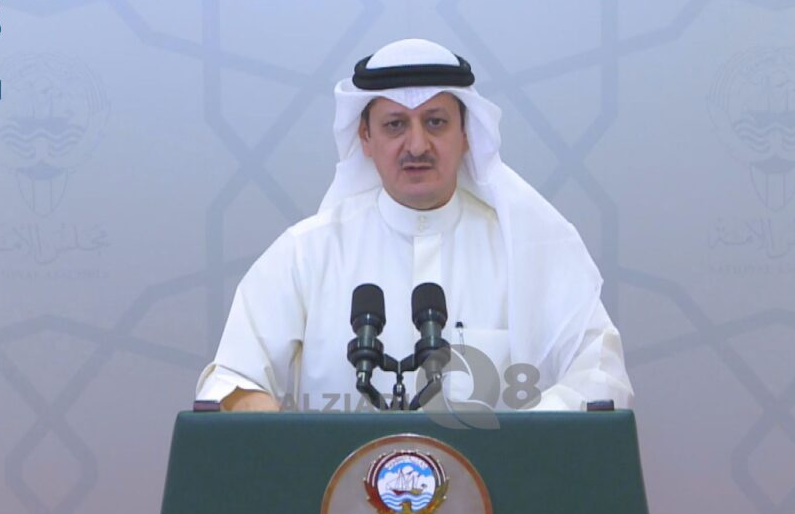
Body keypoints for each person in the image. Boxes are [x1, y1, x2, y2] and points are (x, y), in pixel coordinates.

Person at [196, 38, 633, 412]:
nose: (418, 145)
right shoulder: (306, 253)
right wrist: (293, 448)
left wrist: (521, 444)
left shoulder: (526, 248)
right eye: (395, 125)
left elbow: (601, 375)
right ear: (365, 138)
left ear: (467, 134)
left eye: (436, 122)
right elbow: (231, 381)